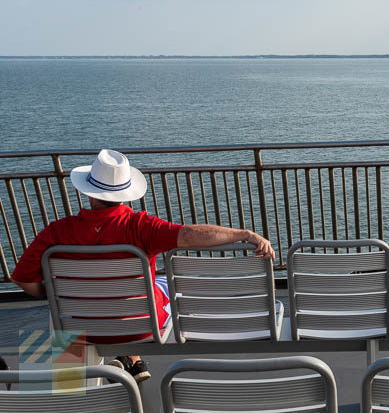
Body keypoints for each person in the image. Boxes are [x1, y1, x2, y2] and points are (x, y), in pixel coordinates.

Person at [10, 149, 275, 383]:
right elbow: (191, 234)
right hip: (138, 327)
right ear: (125, 193)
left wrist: (54, 295)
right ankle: (130, 359)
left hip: (78, 328)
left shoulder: (56, 232)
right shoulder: (140, 226)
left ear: (88, 192)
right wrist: (244, 234)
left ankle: (66, 391)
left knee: (58, 308)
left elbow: (23, 279)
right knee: (159, 286)